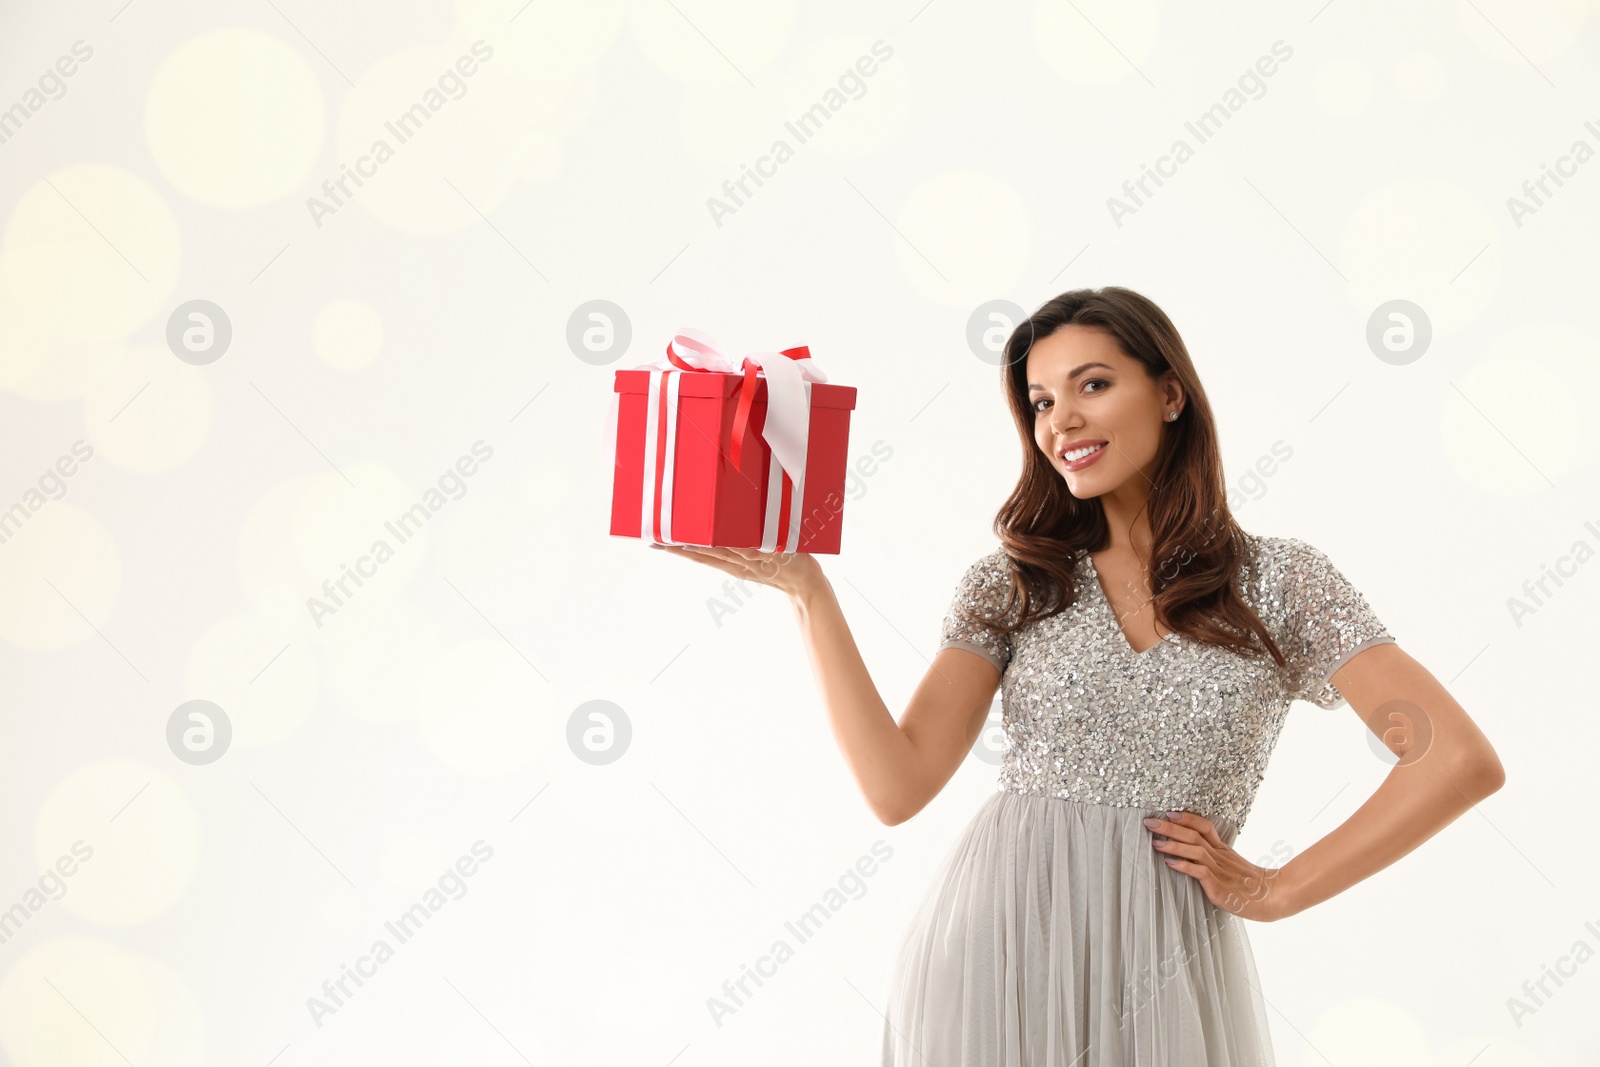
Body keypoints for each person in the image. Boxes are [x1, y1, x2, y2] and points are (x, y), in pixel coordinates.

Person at [657, 286, 1505, 1065]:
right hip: (995, 955)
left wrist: (1275, 889)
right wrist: (808, 592)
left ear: (1171, 395)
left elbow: (1455, 758)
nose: (1061, 419)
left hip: (1164, 965)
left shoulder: (1280, 583)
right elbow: (898, 784)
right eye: (1040, 401)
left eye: (1092, 385)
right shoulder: (1016, 583)